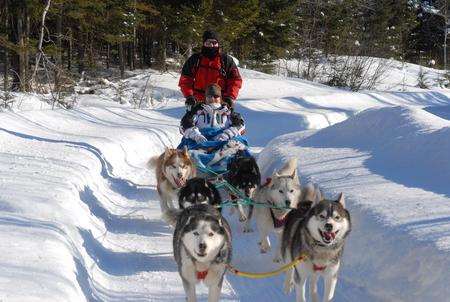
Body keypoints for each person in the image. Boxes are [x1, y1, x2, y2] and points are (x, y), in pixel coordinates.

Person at [179, 30, 242, 111]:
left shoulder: (226, 60)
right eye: (208, 43)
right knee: (188, 122)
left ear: (218, 44)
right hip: (198, 103)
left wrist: (230, 97)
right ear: (204, 43)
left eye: (214, 42)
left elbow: (235, 81)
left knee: (233, 122)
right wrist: (189, 96)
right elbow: (185, 80)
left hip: (221, 102)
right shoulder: (195, 60)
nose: (212, 45)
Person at [180, 83, 245, 144]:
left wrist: (226, 135)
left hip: (222, 141)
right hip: (199, 141)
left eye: (216, 96)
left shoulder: (228, 112)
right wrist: (196, 136)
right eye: (209, 96)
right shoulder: (197, 111)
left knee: (238, 141)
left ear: (220, 98)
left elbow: (240, 125)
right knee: (186, 141)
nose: (212, 99)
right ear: (205, 98)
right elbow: (185, 125)